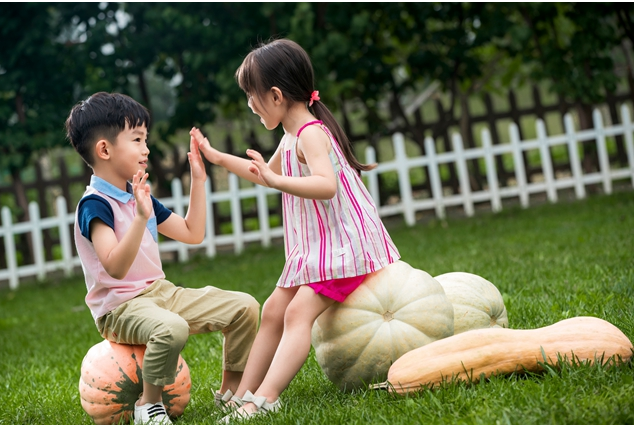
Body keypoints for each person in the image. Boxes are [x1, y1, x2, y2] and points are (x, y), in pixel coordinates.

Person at [191, 38, 400, 422]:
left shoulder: (310, 133)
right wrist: (218, 158)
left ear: (274, 95)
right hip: (319, 249)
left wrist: (276, 180)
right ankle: (241, 396)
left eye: (251, 97)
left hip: (346, 249)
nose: (250, 105)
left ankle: (264, 399)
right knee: (273, 309)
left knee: (296, 314)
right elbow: (262, 175)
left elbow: (326, 185)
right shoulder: (292, 135)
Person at [65, 92, 260, 425]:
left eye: (146, 139)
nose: (146, 149)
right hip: (120, 308)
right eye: (137, 139)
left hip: (161, 294)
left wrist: (198, 180)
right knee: (172, 328)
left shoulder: (137, 194)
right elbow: (114, 266)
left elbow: (191, 233)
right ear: (105, 150)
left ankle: (231, 394)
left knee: (245, 307)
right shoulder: (94, 205)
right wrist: (140, 218)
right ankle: (149, 405)